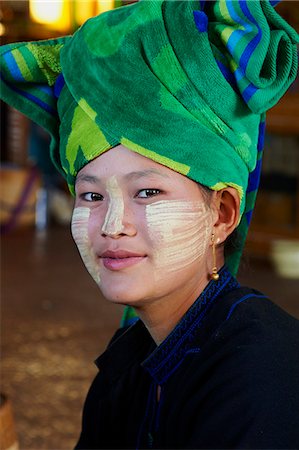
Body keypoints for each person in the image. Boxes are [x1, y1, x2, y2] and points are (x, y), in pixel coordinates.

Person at [1, 1, 299, 448]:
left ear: (221, 214)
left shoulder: (263, 376)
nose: (113, 226)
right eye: (92, 195)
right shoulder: (132, 360)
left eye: (148, 192)